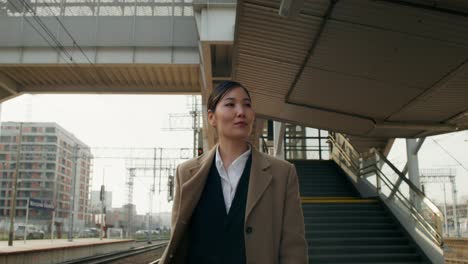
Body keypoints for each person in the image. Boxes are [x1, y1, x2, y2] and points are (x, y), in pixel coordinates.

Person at [160, 81, 308, 264]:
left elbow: (294, 248)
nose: (241, 112)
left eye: (247, 104)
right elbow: (179, 238)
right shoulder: (187, 173)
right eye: (230, 104)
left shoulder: (282, 173)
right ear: (212, 117)